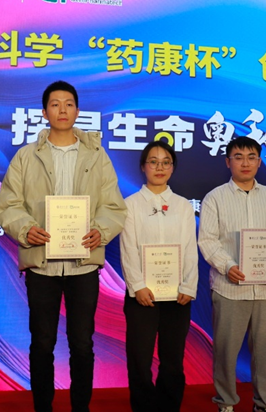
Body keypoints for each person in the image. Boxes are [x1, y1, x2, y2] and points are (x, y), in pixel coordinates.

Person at [0, 80, 127, 412]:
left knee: (82, 343)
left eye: (68, 104)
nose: (62, 110)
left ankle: (80, 407)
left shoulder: (96, 156)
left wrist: (100, 231)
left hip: (83, 264)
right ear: (44, 112)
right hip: (42, 264)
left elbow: (113, 206)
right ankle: (43, 407)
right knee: (42, 343)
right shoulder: (27, 156)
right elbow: (8, 204)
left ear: (77, 111)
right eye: (55, 104)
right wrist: (26, 229)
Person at [198, 136, 266, 412]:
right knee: (226, 350)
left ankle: (265, 403)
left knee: (265, 351)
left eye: (252, 157)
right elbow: (208, 240)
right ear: (228, 162)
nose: (245, 163)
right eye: (238, 157)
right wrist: (228, 266)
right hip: (229, 287)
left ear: (259, 162)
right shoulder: (215, 198)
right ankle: (226, 402)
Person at [120, 140, 198, 412]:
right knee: (140, 360)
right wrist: (138, 286)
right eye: (153, 162)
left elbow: (189, 248)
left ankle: (169, 406)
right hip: (142, 296)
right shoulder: (130, 205)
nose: (159, 167)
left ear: (172, 168)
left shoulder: (183, 206)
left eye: (166, 162)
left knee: (173, 361)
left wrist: (188, 285)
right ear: (143, 166)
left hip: (177, 296)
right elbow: (128, 249)